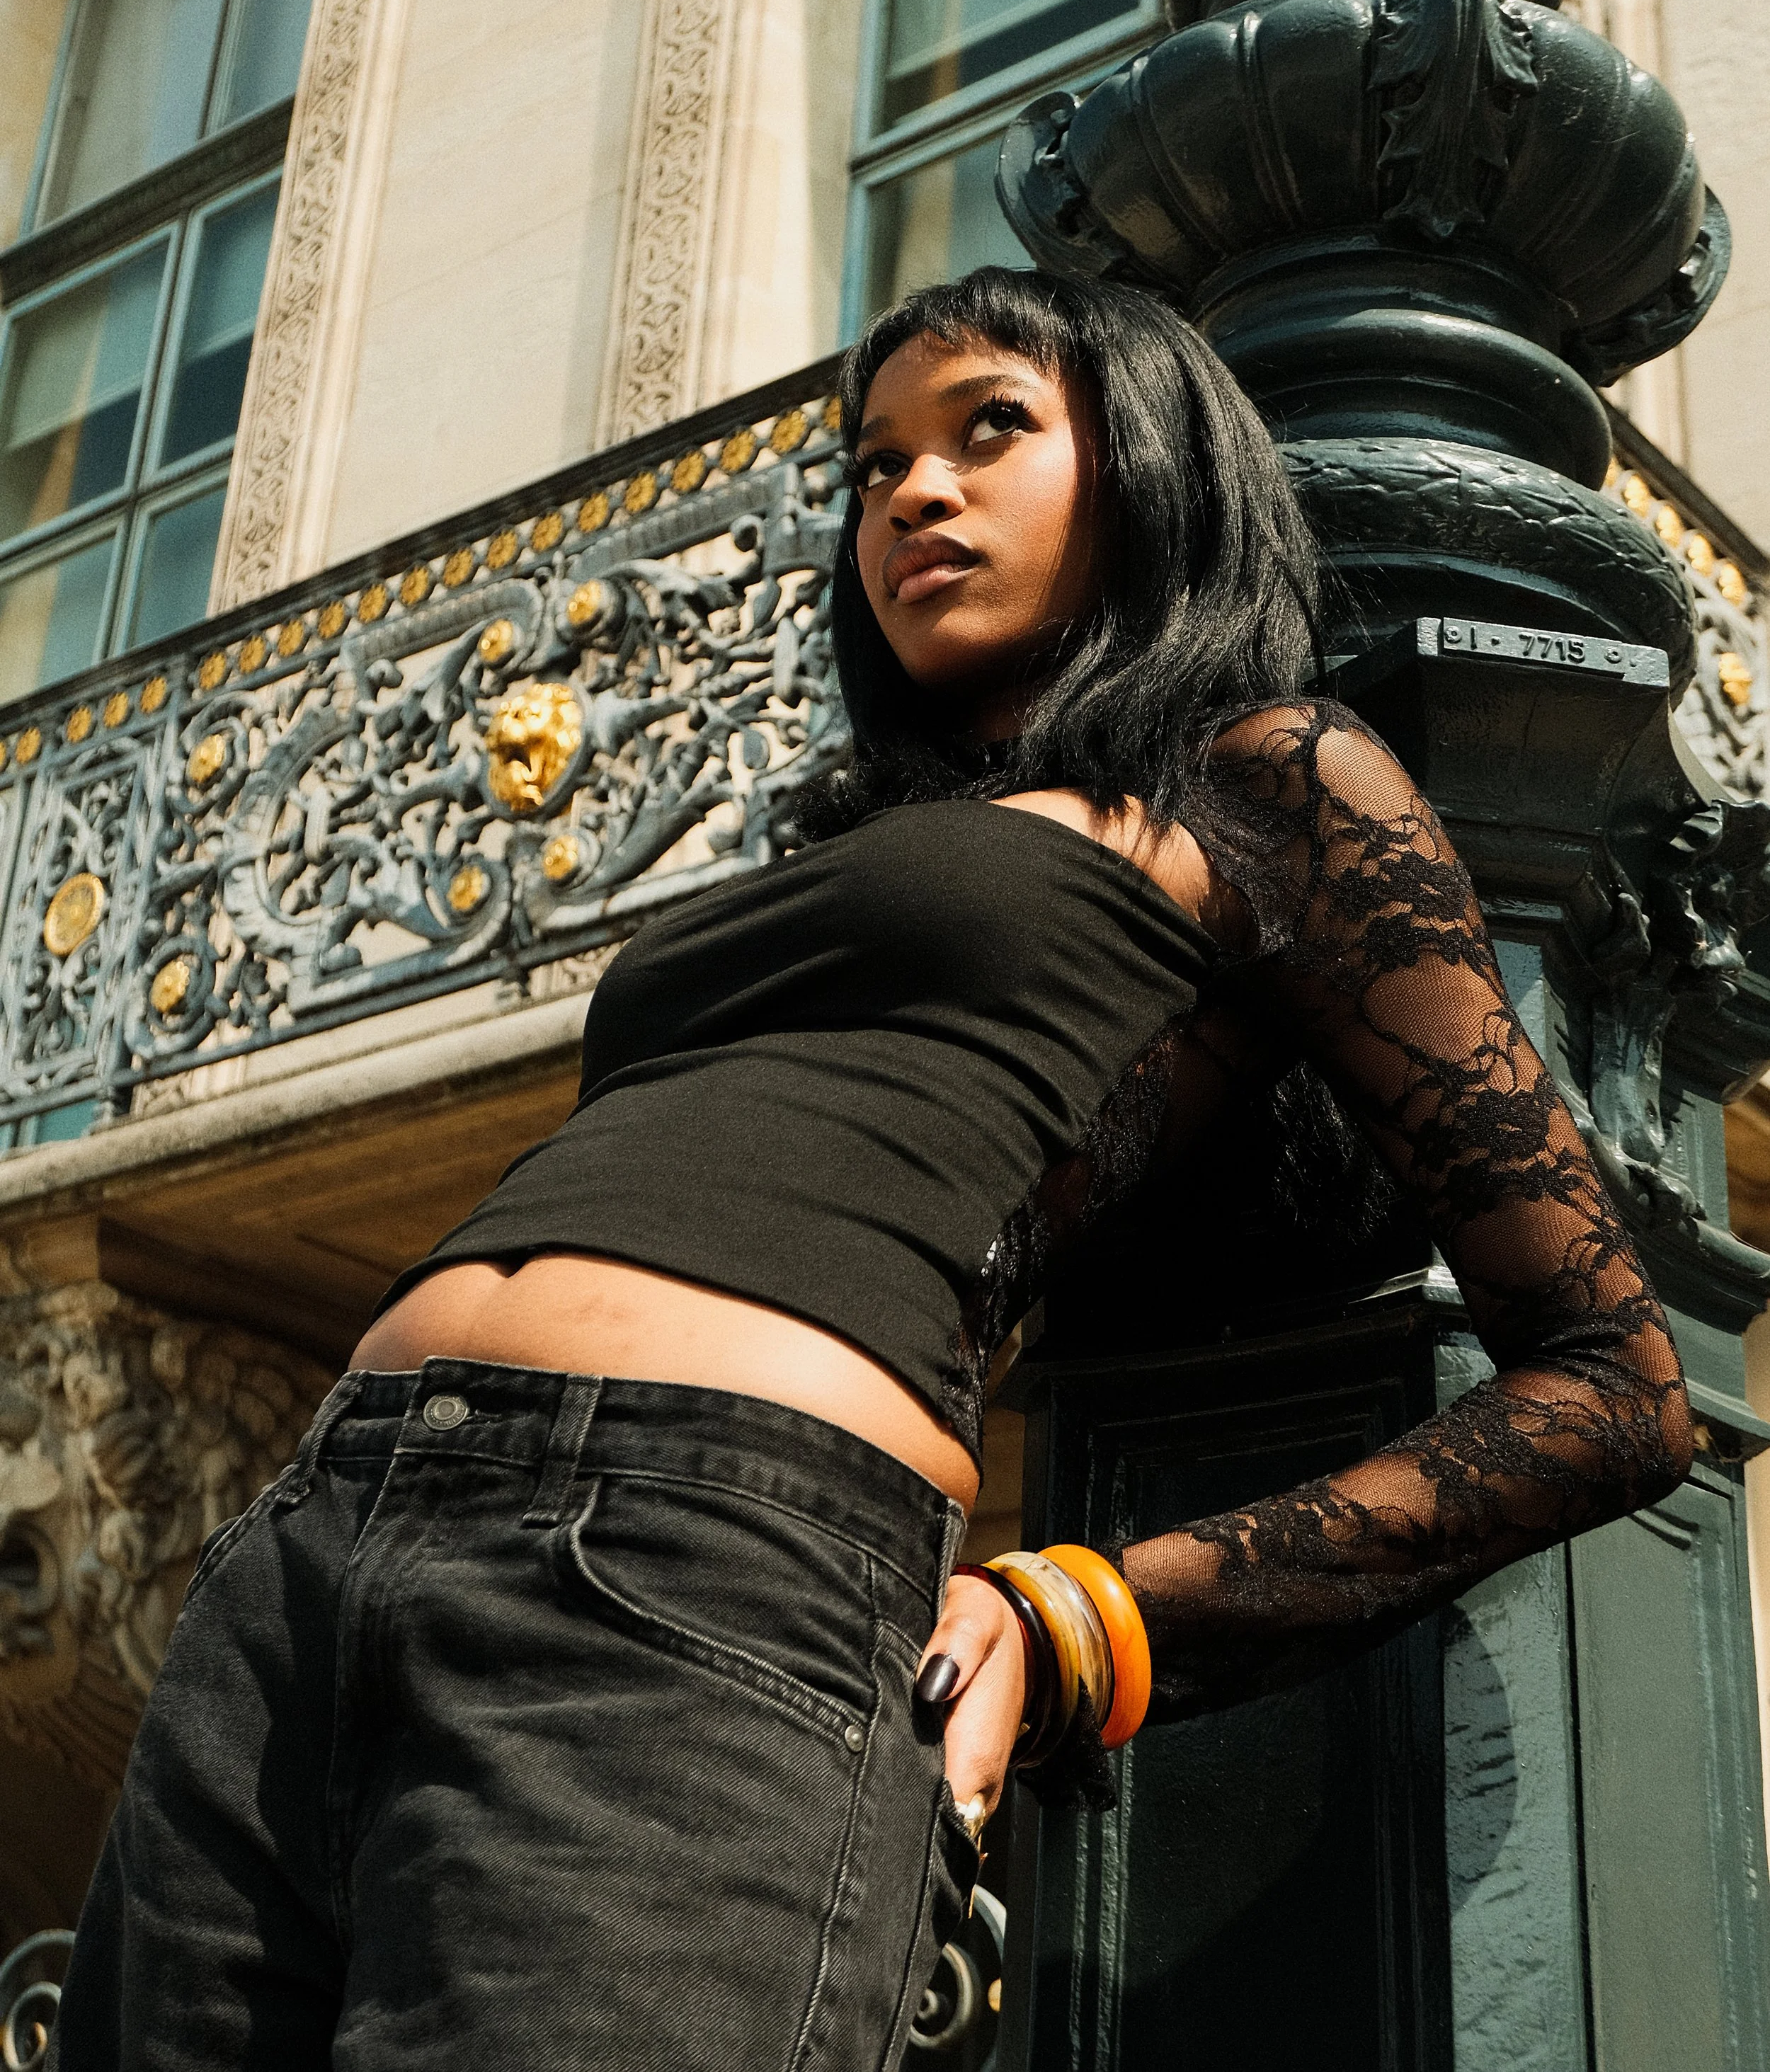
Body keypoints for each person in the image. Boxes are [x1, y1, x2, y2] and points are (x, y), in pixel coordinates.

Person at [51, 268, 1691, 2070]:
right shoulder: (847, 838)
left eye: (988, 427)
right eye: (872, 463)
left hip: (699, 1561)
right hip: (316, 1538)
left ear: (1148, 464)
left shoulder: (1262, 782)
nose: (911, 493)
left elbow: (1610, 1391)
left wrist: (1094, 1617)